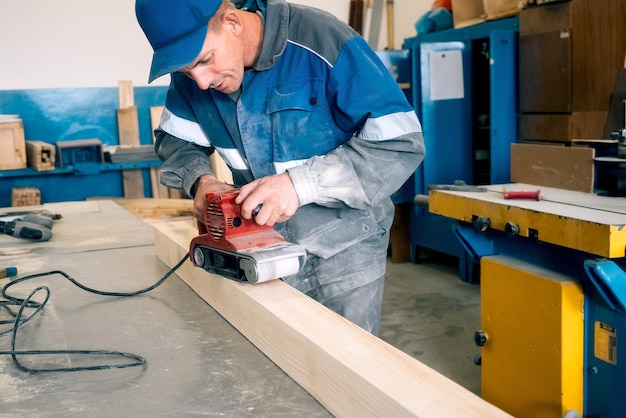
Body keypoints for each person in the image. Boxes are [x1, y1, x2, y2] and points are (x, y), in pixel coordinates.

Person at [135, 0, 425, 335]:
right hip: (258, 250)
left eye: (204, 61)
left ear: (231, 21)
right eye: (187, 71)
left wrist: (300, 184)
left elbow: (400, 144)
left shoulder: (322, 40)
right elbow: (175, 140)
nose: (199, 81)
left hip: (344, 252)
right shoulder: (196, 70)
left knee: (345, 367)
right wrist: (200, 181)